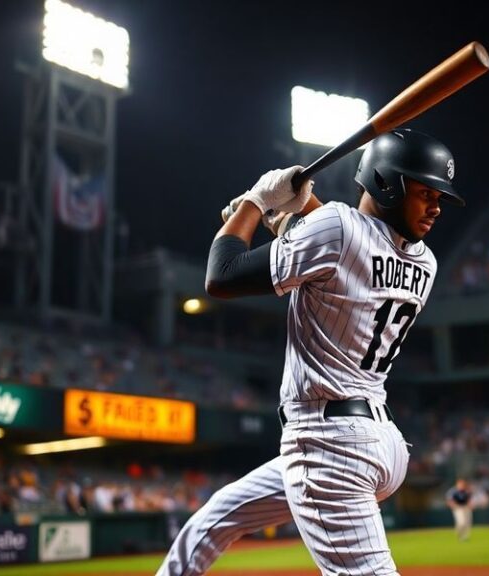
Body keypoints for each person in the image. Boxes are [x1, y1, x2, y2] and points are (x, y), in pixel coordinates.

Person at [156, 129, 465, 576]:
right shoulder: (425, 262)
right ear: (386, 184)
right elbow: (348, 246)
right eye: (425, 193)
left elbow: (221, 275)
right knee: (216, 518)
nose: (436, 207)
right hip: (377, 441)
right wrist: (298, 210)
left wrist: (256, 202)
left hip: (330, 445)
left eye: (438, 196)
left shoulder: (338, 227)